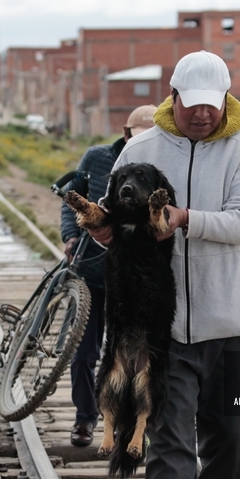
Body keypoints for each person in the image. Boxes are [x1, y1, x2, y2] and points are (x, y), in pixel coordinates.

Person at [90, 50, 240, 479]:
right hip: (164, 325)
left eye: (211, 108)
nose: (201, 116)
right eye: (192, 106)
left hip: (235, 317)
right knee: (168, 434)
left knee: (235, 432)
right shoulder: (141, 147)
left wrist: (187, 220)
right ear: (174, 98)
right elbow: (117, 216)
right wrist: (105, 232)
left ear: (225, 101)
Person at [61, 104, 157, 447]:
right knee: (84, 352)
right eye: (137, 135)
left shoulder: (158, 167)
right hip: (91, 270)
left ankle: (122, 425)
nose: (143, 142)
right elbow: (72, 199)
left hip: (131, 281)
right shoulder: (98, 157)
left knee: (127, 358)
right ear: (125, 132)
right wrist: (71, 235)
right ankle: (85, 419)